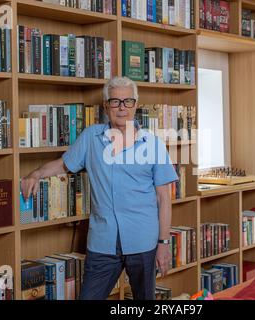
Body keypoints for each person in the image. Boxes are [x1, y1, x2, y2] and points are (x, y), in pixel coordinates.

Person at [20, 76, 178, 300]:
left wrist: (163, 244)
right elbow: (64, 165)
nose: (121, 108)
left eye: (128, 101)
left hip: (143, 241)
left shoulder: (152, 144)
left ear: (136, 105)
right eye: (115, 101)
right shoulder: (91, 138)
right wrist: (36, 173)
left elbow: (164, 198)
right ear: (106, 106)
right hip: (102, 242)